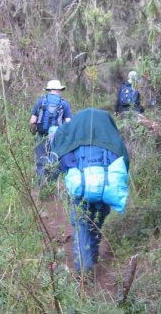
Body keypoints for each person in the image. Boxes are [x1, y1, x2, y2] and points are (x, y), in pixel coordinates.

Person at [51, 108, 129, 277]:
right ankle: (91, 256)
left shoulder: (72, 142)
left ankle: (83, 270)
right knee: (96, 223)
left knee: (81, 227)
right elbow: (123, 165)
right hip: (104, 193)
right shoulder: (112, 142)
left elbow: (63, 164)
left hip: (81, 194)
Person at [29, 80, 72, 183]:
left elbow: (33, 121)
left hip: (41, 135)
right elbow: (68, 122)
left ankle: (41, 186)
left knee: (41, 161)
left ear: (49, 90)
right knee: (55, 160)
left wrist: (33, 131)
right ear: (57, 90)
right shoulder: (64, 104)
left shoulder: (41, 101)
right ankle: (52, 187)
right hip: (57, 138)